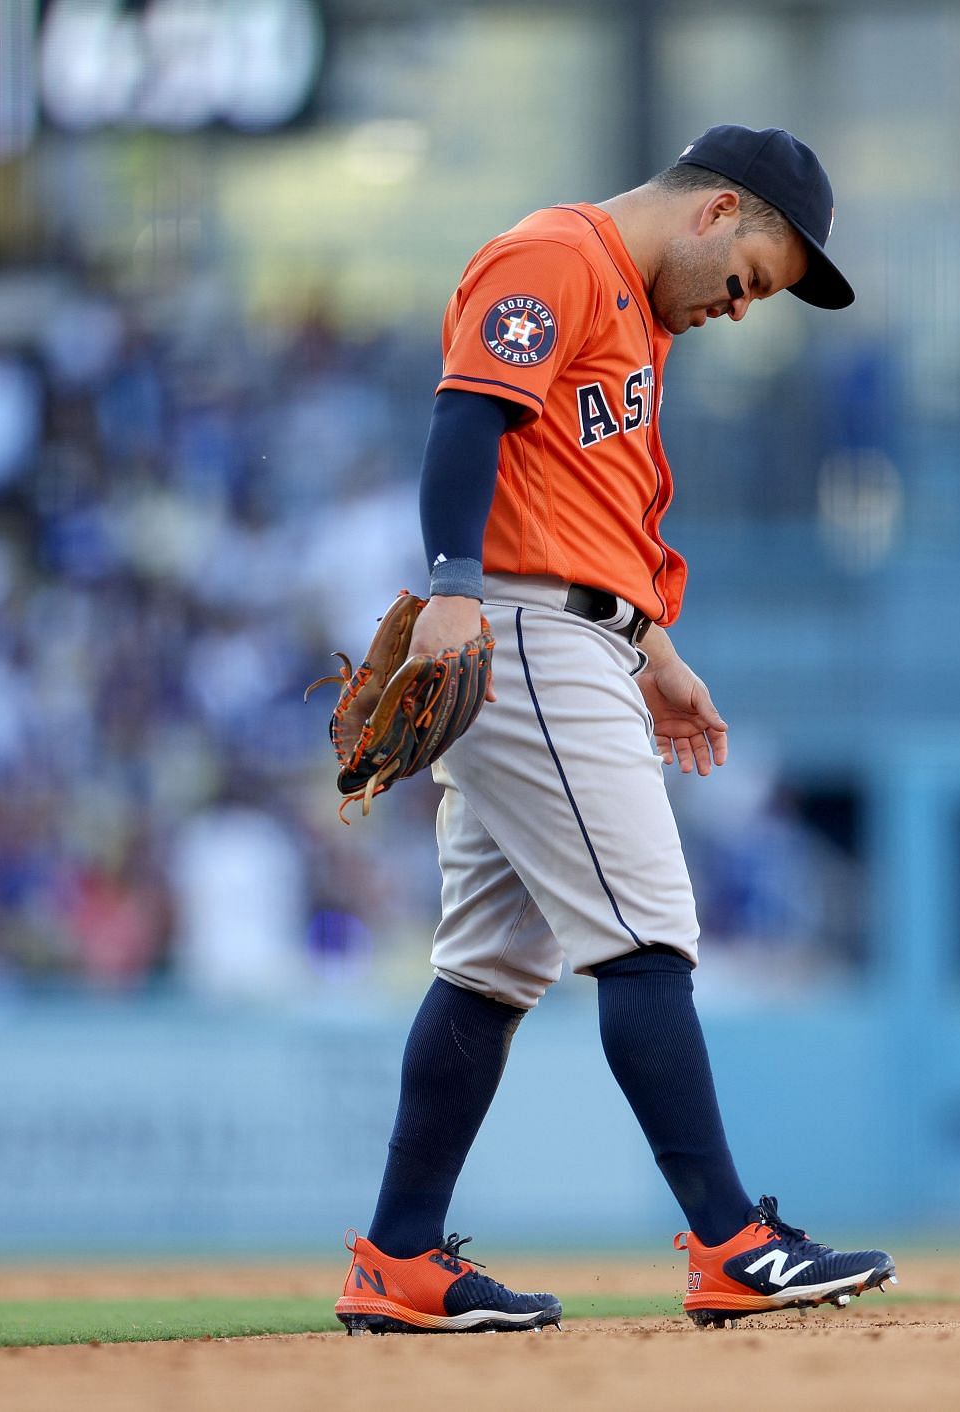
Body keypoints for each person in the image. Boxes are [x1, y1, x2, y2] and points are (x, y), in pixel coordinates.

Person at [333, 126, 897, 1334]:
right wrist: (450, 586)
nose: (740, 310)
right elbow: (466, 418)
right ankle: (729, 1239)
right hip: (523, 633)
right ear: (716, 211)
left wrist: (655, 649)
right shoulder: (556, 257)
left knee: (491, 965)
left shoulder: (631, 312)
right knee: (648, 931)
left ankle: (397, 1255)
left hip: (571, 633)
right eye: (749, 277)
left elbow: (596, 502)